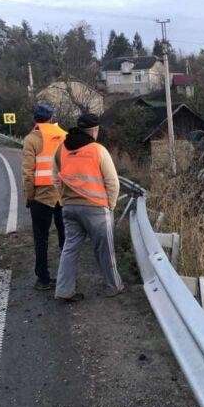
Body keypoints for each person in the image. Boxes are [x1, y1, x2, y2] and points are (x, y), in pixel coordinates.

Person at [53, 112, 124, 302]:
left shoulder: (61, 150)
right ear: (94, 130)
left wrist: (64, 200)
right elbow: (113, 183)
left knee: (70, 249)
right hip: (96, 209)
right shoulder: (97, 150)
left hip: (69, 208)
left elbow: (56, 179)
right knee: (105, 250)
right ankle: (113, 286)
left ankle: (63, 290)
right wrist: (111, 205)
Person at [22, 103, 67, 290]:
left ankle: (43, 279)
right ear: (51, 118)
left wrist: (30, 197)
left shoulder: (31, 139)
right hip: (63, 195)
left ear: (35, 119)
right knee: (66, 239)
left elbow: (27, 173)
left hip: (41, 197)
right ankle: (67, 278)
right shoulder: (64, 136)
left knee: (41, 239)